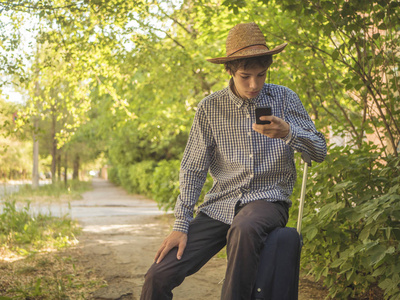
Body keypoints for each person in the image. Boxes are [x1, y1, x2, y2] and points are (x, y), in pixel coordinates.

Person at [140, 22, 327, 300]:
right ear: (229, 71)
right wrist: (181, 224)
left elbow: (320, 151)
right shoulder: (210, 108)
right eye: (245, 76)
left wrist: (289, 133)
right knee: (158, 275)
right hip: (220, 206)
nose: (254, 84)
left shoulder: (285, 99)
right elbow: (193, 168)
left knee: (245, 226)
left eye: (261, 75)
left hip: (268, 202)